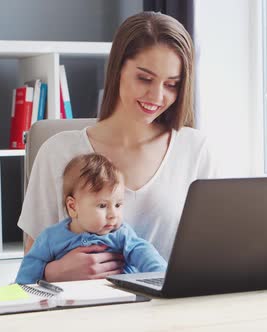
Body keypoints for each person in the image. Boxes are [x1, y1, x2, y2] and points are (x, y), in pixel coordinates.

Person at [18, 11, 217, 282]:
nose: (157, 96)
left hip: (168, 314)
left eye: (172, 85)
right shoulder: (57, 151)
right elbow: (31, 261)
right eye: (145, 79)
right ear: (118, 69)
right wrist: (55, 272)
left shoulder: (195, 149)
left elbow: (211, 254)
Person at [15, 153, 166, 285]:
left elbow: (143, 252)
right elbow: (31, 264)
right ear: (73, 207)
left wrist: (161, 276)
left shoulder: (121, 233)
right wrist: (22, 290)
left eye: (118, 204)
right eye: (102, 205)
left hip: (119, 299)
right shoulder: (50, 238)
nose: (113, 214)